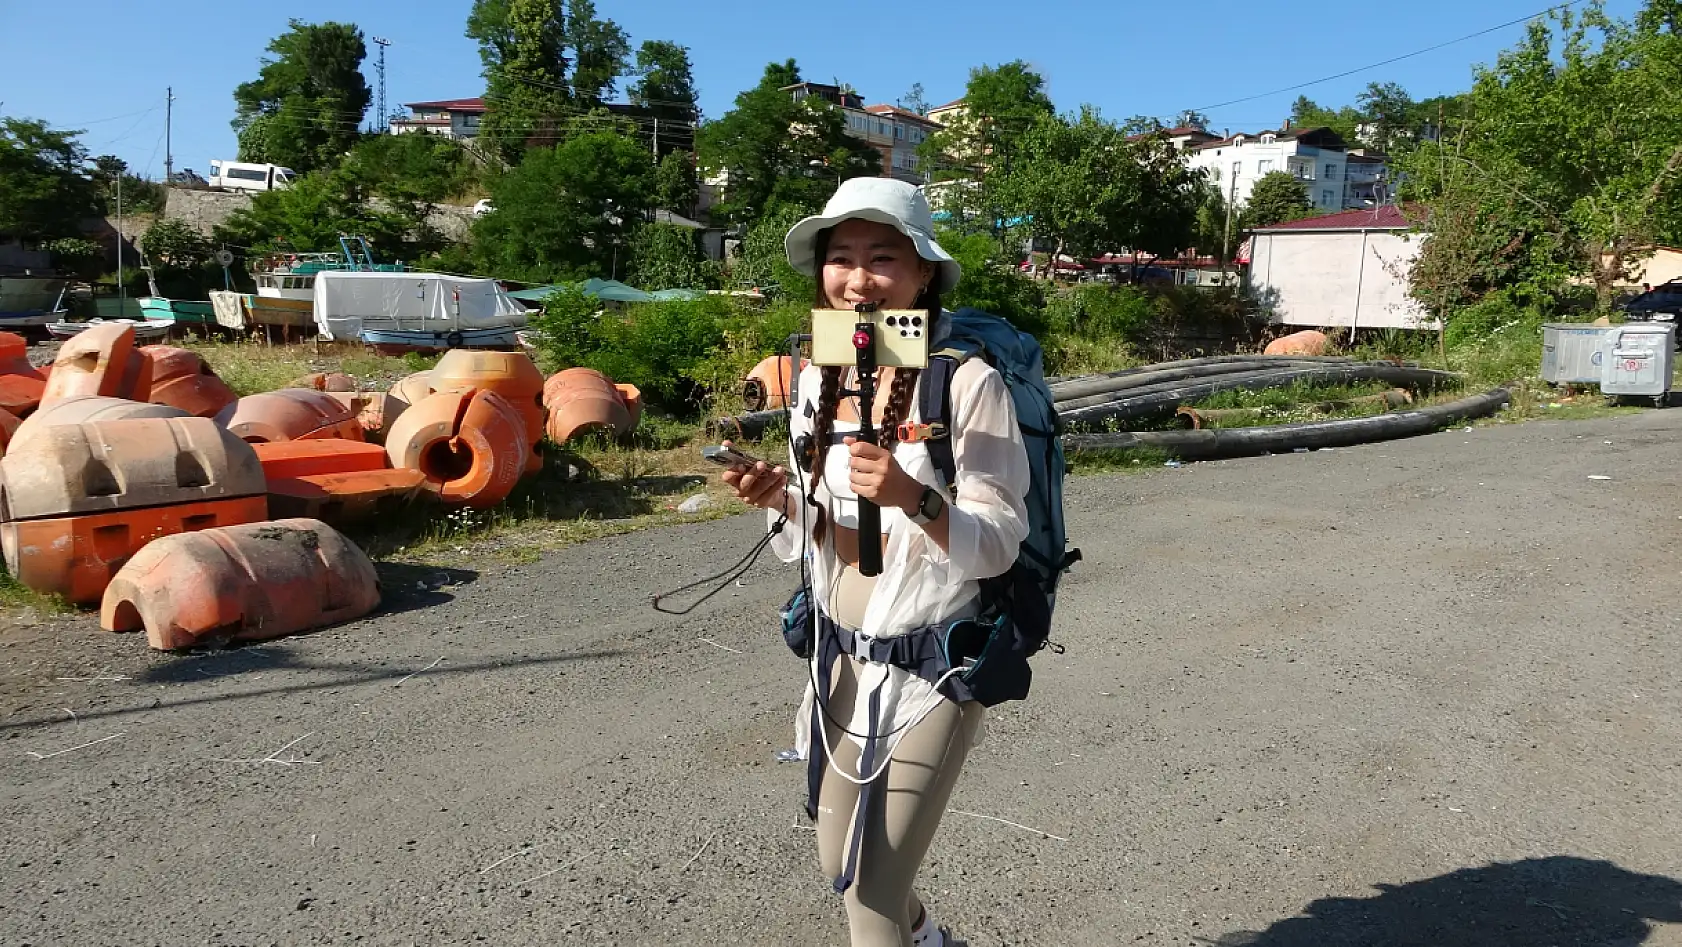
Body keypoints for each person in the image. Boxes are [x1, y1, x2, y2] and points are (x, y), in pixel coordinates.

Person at [719, 177, 1032, 947]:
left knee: (869, 894)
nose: (858, 278)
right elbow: (840, 540)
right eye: (842, 257)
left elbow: (999, 541)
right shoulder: (820, 378)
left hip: (932, 669)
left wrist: (914, 497)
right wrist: (779, 499)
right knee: (837, 858)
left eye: (883, 257)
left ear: (923, 272)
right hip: (840, 659)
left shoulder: (964, 382)